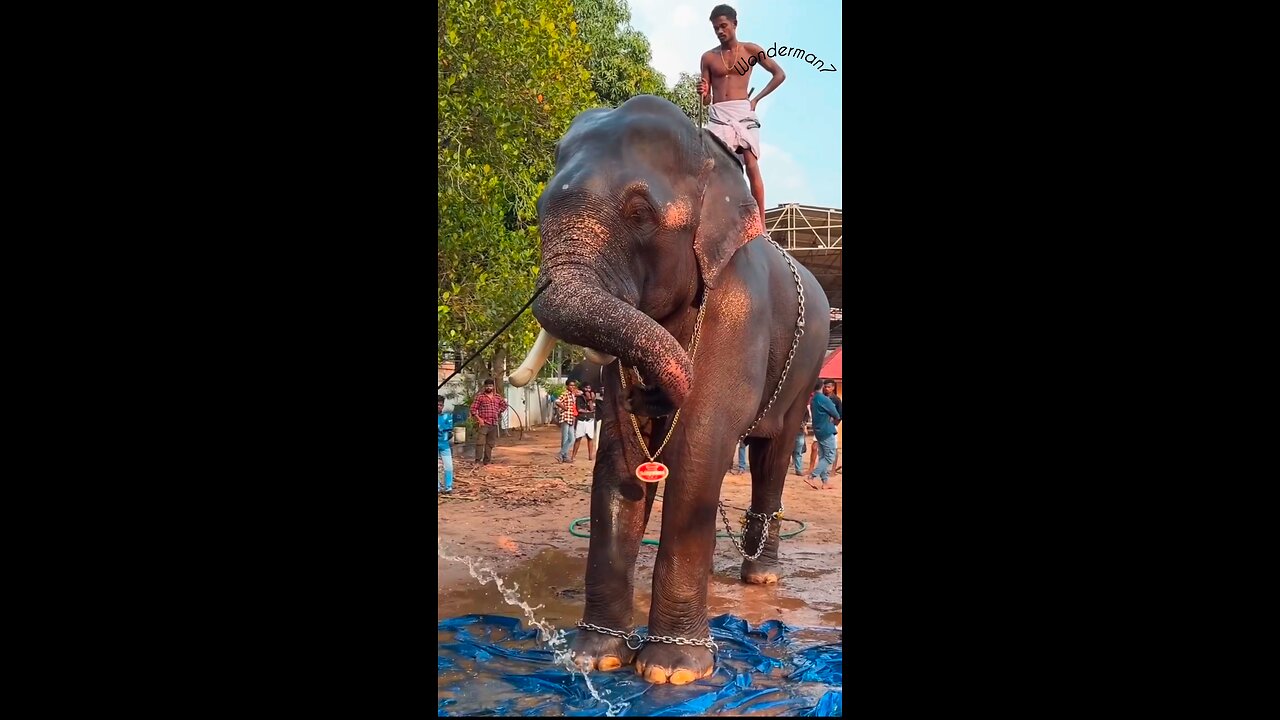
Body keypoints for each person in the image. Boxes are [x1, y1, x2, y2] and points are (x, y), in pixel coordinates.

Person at [697, 4, 786, 229]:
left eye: (724, 26)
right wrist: (703, 93)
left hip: (742, 111)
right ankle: (720, 219)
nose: (720, 31)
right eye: (716, 28)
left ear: (735, 24)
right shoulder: (708, 57)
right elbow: (706, 100)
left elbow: (779, 74)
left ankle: (761, 224)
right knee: (715, 167)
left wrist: (756, 100)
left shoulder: (751, 50)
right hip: (719, 114)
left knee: (751, 162)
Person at [803, 380, 841, 489]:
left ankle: (825, 482)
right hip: (826, 429)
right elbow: (836, 414)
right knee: (829, 456)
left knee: (823, 456)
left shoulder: (814, 398)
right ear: (822, 386)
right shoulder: (825, 399)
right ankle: (812, 476)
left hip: (818, 430)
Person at [469, 378, 509, 465]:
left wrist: (498, 411)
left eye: (490, 386)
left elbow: (505, 405)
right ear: (484, 387)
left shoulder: (497, 397)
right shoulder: (480, 397)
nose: (488, 388)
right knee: (480, 443)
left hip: (494, 423)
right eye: (487, 386)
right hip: (483, 423)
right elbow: (473, 409)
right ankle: (477, 461)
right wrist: (479, 419)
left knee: (490, 444)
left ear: (493, 387)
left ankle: (486, 462)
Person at [572, 383, 598, 462]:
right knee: (578, 438)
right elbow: (579, 409)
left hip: (590, 420)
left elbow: (592, 408)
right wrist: (588, 411)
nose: (588, 390)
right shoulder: (580, 398)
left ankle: (590, 456)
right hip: (581, 419)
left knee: (590, 438)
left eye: (589, 388)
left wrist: (590, 399)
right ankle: (573, 456)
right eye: (586, 388)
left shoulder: (592, 398)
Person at [555, 380, 579, 463]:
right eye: (570, 385)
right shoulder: (565, 394)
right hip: (565, 417)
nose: (572, 387)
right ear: (567, 386)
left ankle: (561, 454)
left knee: (571, 438)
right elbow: (557, 401)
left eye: (573, 385)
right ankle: (563, 456)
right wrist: (564, 408)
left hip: (571, 417)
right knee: (565, 438)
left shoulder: (573, 395)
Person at [822, 379, 842, 474]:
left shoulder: (836, 400)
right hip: (821, 426)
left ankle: (833, 469)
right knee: (816, 447)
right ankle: (814, 468)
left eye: (829, 387)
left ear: (833, 388)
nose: (826, 389)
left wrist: (834, 424)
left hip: (832, 426)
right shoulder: (821, 398)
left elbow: (840, 415)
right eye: (825, 387)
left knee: (833, 447)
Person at [438, 395, 455, 493]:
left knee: (448, 466)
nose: (439, 407)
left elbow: (450, 432)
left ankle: (448, 487)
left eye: (440, 405)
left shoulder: (447, 417)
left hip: (444, 446)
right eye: (437, 405)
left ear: (443, 406)